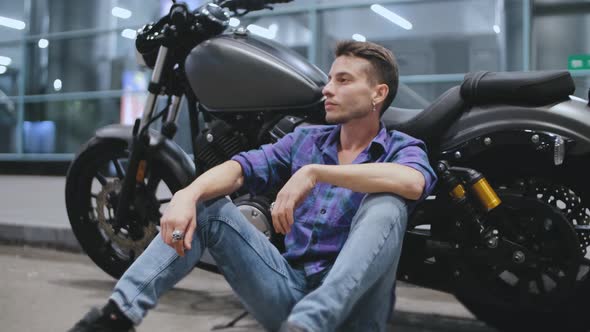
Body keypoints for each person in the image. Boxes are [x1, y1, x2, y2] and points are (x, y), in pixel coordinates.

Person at [69, 40, 437, 332]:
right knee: (206, 204)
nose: (327, 89)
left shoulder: (400, 149)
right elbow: (239, 169)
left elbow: (412, 181)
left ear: (378, 94)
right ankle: (115, 318)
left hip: (356, 313)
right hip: (288, 293)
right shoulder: (305, 140)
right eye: (328, 79)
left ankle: (310, 323)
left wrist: (316, 173)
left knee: (386, 205)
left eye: (343, 80)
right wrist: (186, 194)